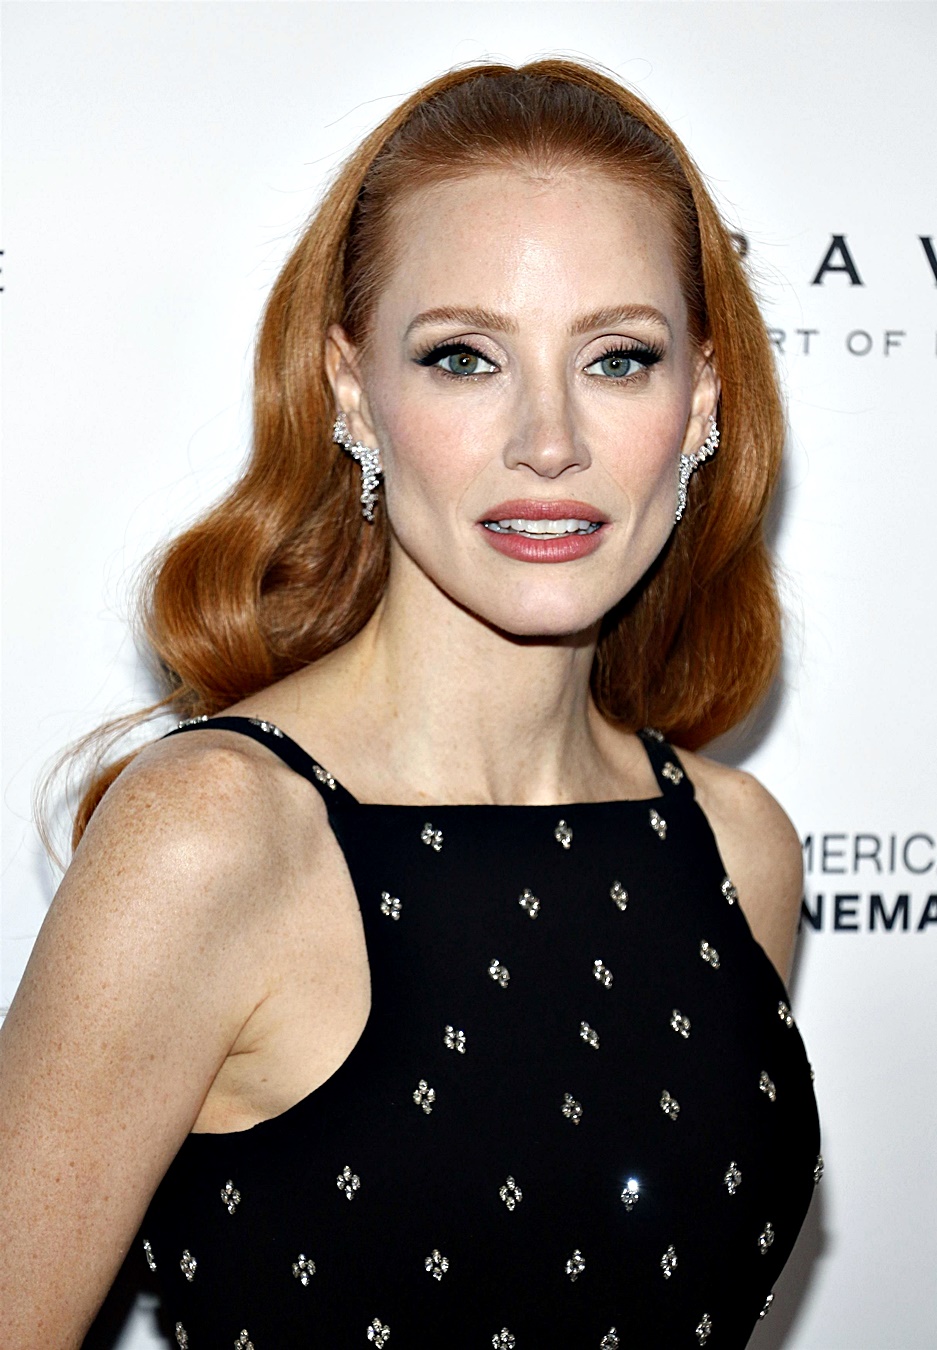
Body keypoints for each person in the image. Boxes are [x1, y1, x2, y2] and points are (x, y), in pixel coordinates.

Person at [0, 59, 821, 1349]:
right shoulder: (214, 836)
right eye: (463, 358)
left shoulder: (738, 846)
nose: (548, 439)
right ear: (351, 390)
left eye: (618, 358)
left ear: (702, 397)